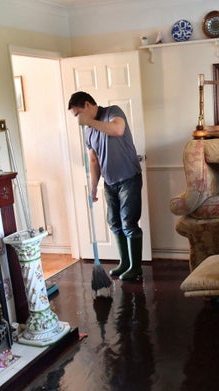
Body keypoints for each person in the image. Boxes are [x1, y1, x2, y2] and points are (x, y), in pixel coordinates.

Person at [68, 91, 143, 281]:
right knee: (115, 223)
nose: (78, 119)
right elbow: (94, 160)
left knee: (129, 223)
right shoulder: (88, 132)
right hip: (109, 183)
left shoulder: (112, 112)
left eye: (78, 114)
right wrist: (93, 187)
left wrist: (89, 122)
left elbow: (117, 129)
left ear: (87, 105)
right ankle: (124, 263)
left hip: (129, 178)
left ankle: (136, 268)